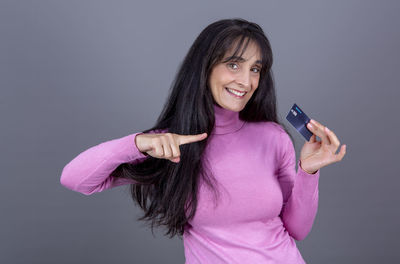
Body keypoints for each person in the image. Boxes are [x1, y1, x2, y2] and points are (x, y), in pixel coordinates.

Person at [60, 18, 346, 263]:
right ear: (205, 67)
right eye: (234, 65)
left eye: (255, 69)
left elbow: (297, 230)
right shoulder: (169, 145)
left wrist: (308, 171)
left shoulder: (273, 137)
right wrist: (136, 143)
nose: (246, 82)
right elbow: (75, 179)